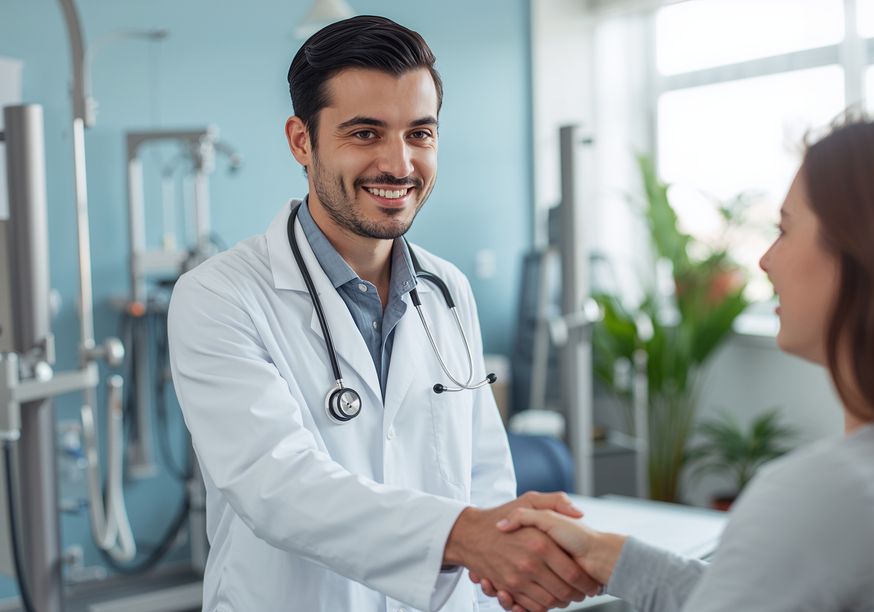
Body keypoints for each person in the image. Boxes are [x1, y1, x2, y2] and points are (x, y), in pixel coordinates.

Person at [474, 107, 874, 611]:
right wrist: (611, 556)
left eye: (785, 230)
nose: (765, 260)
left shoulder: (825, 497)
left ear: (861, 258)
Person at [168, 15, 598, 612]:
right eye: (365, 133)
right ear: (300, 140)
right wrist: (458, 537)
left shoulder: (448, 289)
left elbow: (487, 477)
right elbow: (277, 486)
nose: (398, 164)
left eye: (420, 133)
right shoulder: (219, 295)